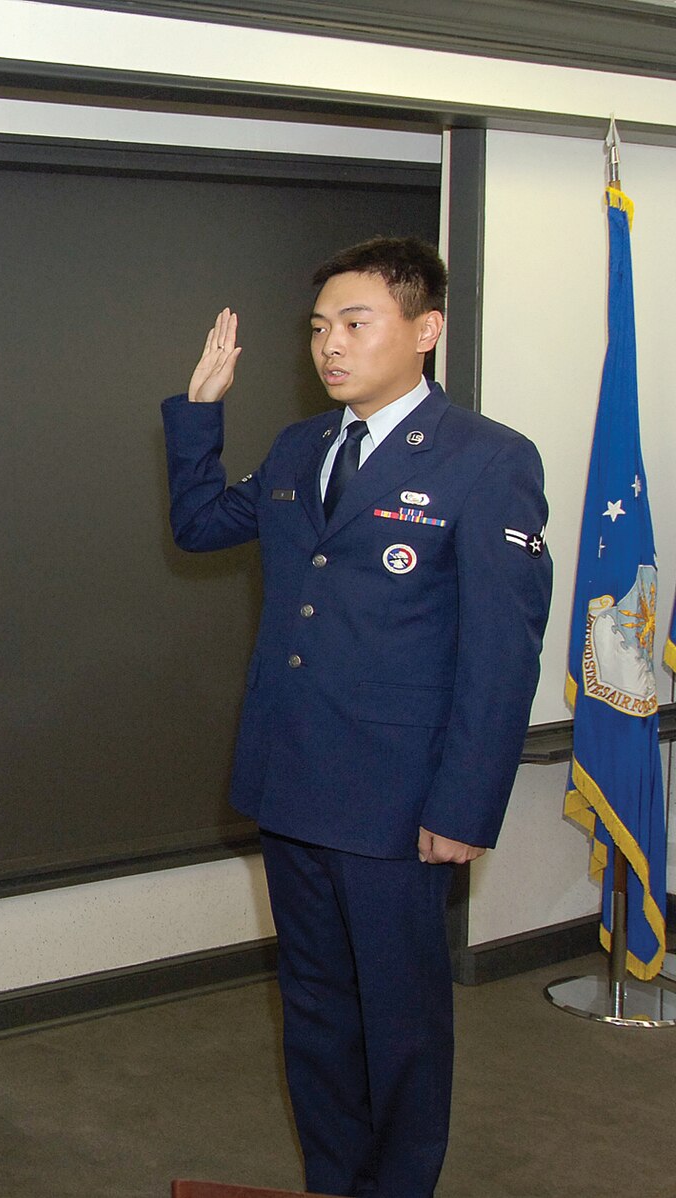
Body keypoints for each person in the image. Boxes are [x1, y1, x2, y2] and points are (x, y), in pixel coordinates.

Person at [159, 237, 551, 1198]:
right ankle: (336, 1182)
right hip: (292, 784)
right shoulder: (302, 448)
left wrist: (464, 807)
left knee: (403, 1026)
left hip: (399, 807)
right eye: (320, 328)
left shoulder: (486, 460)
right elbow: (203, 524)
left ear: (426, 330)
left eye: (355, 323)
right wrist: (202, 411)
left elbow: (503, 654)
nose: (329, 346)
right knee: (319, 1014)